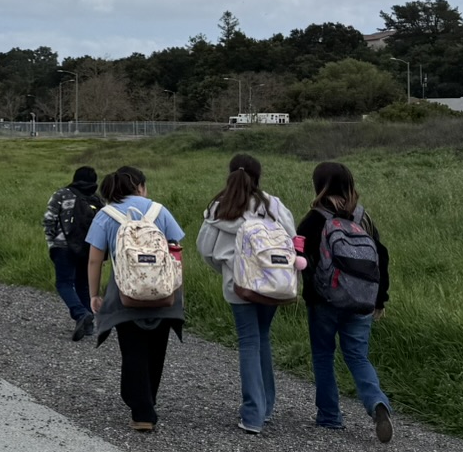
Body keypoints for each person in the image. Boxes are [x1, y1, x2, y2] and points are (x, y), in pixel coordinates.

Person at [197, 153, 296, 435]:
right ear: (258, 176)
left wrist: (227, 270)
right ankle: (265, 409)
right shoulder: (273, 205)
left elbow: (205, 250)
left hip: (238, 286)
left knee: (249, 342)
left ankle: (252, 414)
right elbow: (291, 237)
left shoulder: (220, 207)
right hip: (272, 284)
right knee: (263, 338)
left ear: (229, 174)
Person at [298, 161, 395, 442]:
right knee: (357, 355)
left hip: (325, 301)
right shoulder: (362, 217)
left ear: (319, 186)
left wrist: (308, 292)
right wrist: (379, 299)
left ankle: (330, 416)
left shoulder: (313, 219)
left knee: (323, 355)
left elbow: (301, 260)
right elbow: (382, 256)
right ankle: (378, 403)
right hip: (362, 301)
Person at [85, 166, 185, 433]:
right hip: (164, 293)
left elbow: (95, 259)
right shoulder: (159, 211)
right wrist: (173, 287)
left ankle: (142, 410)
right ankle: (147, 400)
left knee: (133, 350)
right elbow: (176, 248)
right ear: (140, 186)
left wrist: (94, 294)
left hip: (124, 293)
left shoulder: (106, 215)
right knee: (156, 350)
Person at [43, 165, 102, 341]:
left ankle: (81, 313)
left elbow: (49, 220)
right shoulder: (97, 200)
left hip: (63, 247)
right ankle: (89, 326)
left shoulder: (61, 194)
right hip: (88, 248)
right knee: (84, 285)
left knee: (64, 283)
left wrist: (52, 243)